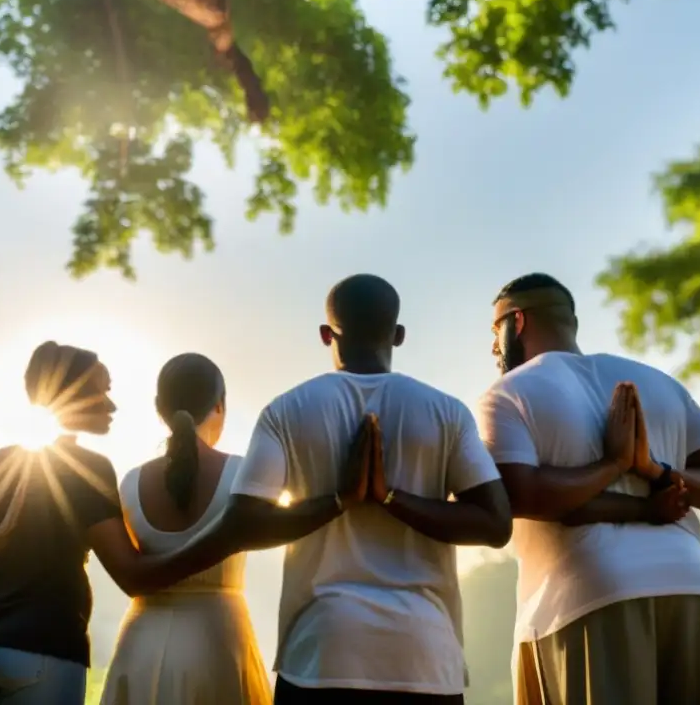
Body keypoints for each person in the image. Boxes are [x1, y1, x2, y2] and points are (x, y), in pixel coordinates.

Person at [213, 274, 512, 704]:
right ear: (398, 335)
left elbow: (242, 523)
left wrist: (342, 501)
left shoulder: (287, 410)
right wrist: (392, 498)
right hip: (424, 655)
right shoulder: (446, 411)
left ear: (325, 334)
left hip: (323, 653)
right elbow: (495, 523)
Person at [476, 272, 700, 705]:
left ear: (519, 322)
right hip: (690, 584)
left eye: (495, 330)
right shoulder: (657, 382)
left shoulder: (509, 393)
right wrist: (658, 475)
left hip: (587, 595)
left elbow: (520, 495)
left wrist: (620, 465)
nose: (494, 346)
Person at [0, 342, 246, 705]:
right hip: (42, 650)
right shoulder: (89, 469)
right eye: (103, 390)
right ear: (74, 397)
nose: (112, 405)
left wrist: (2, 534)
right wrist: (226, 537)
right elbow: (131, 576)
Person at [100, 353, 272, 705]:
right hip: (220, 640)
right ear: (219, 405)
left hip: (142, 643)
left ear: (158, 407)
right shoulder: (243, 474)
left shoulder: (131, 483)